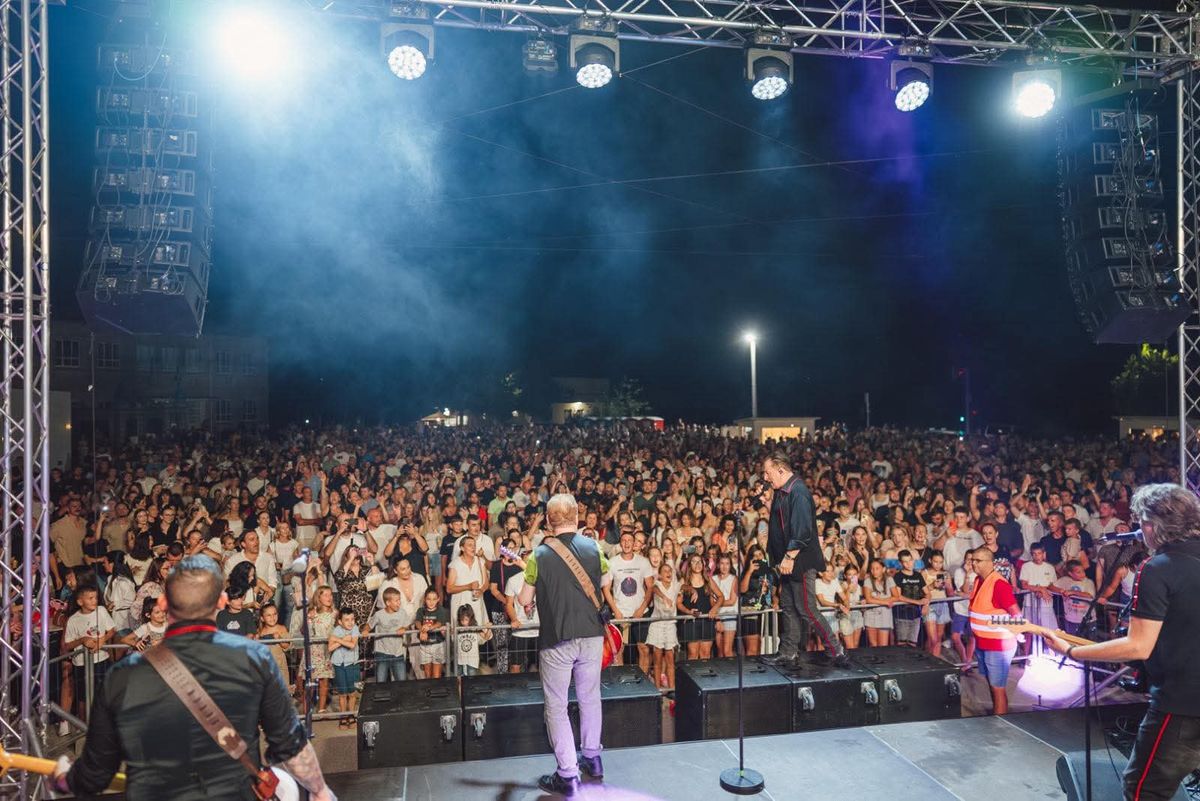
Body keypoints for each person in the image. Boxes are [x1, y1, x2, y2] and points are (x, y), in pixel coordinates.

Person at [51, 555, 336, 801]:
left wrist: (64, 778)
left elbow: (95, 774)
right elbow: (289, 745)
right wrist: (320, 790)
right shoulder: (254, 658)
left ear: (164, 602)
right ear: (221, 601)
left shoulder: (123, 674)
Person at [1043, 484, 1200, 801]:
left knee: (1144, 789)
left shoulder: (1157, 569)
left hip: (1181, 705)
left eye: (1141, 522)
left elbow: (1138, 645)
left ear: (1151, 525)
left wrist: (1074, 650)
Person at [516, 493, 610, 797]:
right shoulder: (594, 547)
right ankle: (593, 758)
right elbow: (605, 581)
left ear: (547, 521)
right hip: (592, 634)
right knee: (590, 697)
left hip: (557, 638)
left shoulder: (538, 555)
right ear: (577, 518)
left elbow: (524, 598)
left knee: (556, 705)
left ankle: (568, 774)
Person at [761, 452, 847, 667]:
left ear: (781, 470)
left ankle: (835, 650)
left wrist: (790, 556)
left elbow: (802, 530)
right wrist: (768, 505)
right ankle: (788, 651)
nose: (765, 477)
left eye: (768, 472)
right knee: (788, 606)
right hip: (786, 560)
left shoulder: (798, 491)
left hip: (799, 560)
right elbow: (783, 523)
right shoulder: (782, 491)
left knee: (806, 608)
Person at [967, 546, 1021, 714]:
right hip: (983, 643)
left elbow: (1016, 613)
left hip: (998, 645)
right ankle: (997, 717)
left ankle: (1000, 724)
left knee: (998, 688)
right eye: (972, 560)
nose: (973, 563)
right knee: (993, 685)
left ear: (990, 562)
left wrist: (1017, 633)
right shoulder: (979, 580)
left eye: (978, 560)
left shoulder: (999, 584)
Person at [328, 607, 361, 728]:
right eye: (347, 620)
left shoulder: (355, 629)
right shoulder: (336, 630)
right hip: (339, 664)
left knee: (352, 692)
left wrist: (337, 640)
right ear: (340, 622)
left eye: (352, 619)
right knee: (342, 693)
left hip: (351, 664)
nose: (350, 622)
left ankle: (351, 715)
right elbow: (330, 648)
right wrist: (342, 640)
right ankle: (343, 716)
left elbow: (352, 645)